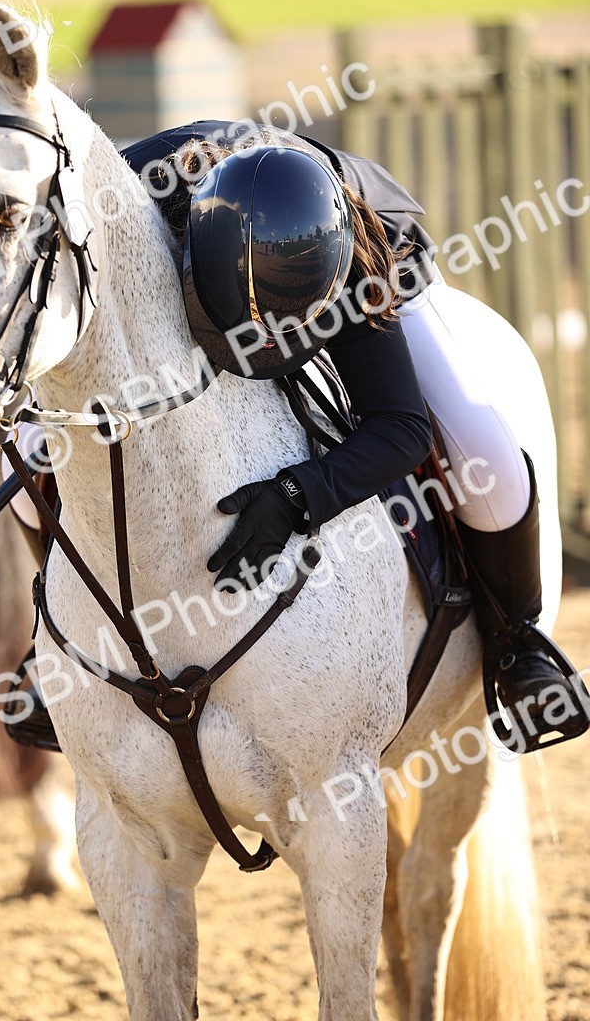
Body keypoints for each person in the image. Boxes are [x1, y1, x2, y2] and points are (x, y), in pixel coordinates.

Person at [120, 120, 586, 749]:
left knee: (486, 456)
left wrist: (296, 495)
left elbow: (401, 427)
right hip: (194, 237)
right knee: (43, 442)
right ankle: (50, 646)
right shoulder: (132, 217)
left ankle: (516, 644)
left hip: (363, 244)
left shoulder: (352, 256)